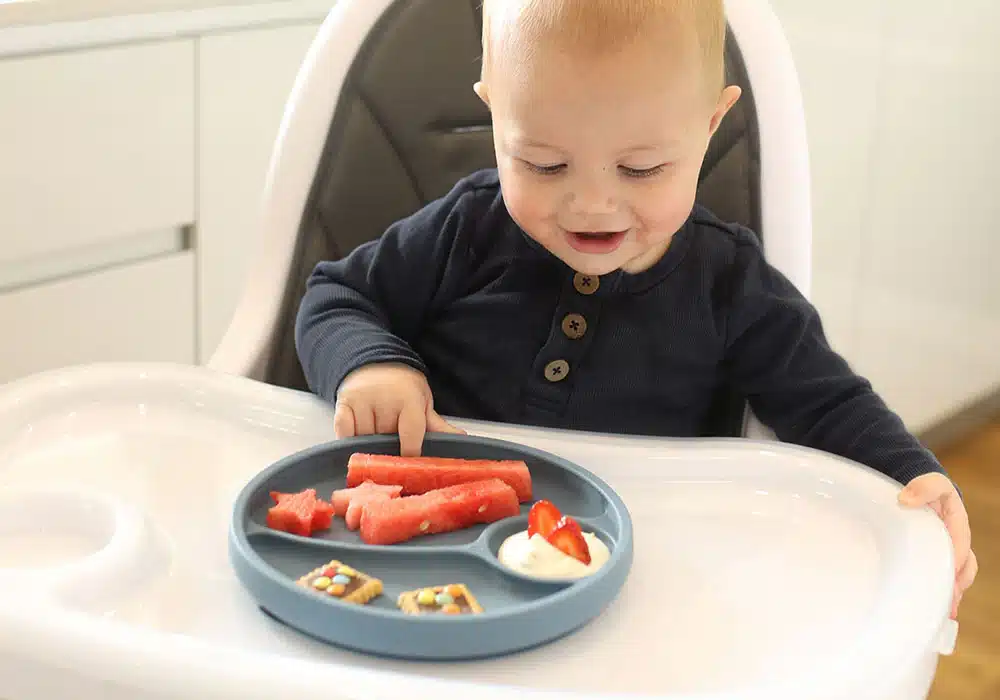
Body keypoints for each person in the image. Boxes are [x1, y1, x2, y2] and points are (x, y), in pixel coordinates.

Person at [294, 0, 976, 616]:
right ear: (495, 115)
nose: (592, 204)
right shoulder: (467, 229)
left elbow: (828, 403)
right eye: (543, 164)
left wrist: (915, 474)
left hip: (652, 579)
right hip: (436, 552)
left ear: (710, 125)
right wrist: (373, 368)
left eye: (642, 169)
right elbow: (337, 296)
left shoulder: (730, 284)